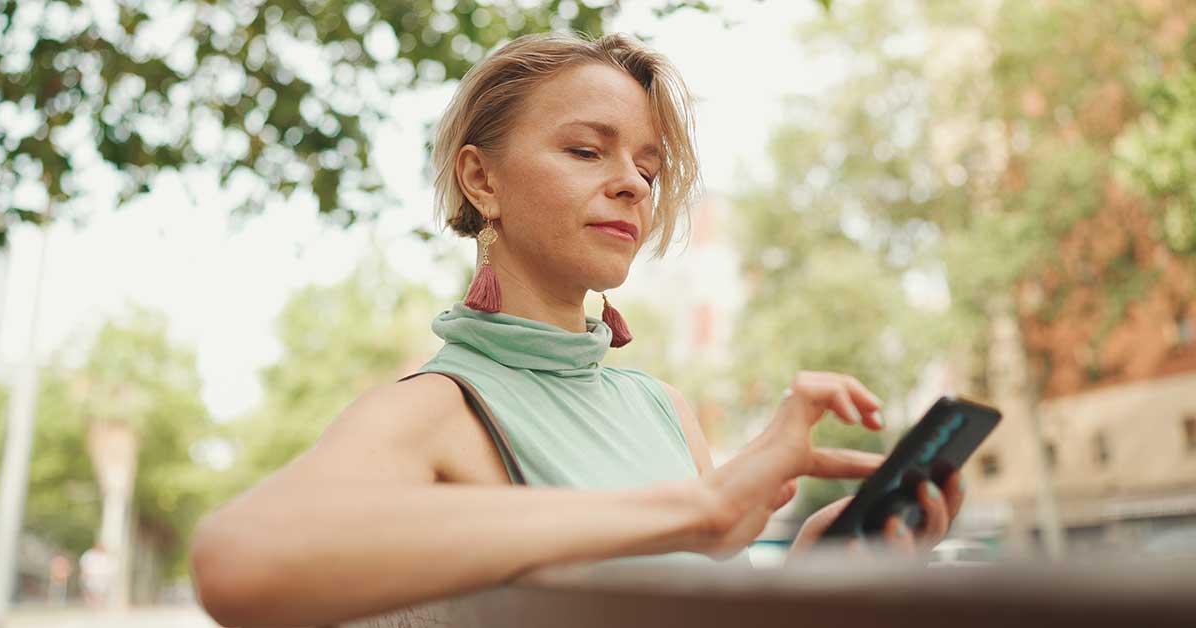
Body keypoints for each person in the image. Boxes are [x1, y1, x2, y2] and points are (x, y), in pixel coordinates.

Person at [189, 31, 965, 628]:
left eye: (649, 170)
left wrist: (816, 570)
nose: (631, 182)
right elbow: (238, 561)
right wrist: (704, 510)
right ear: (481, 179)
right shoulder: (431, 409)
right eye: (587, 150)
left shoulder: (666, 408)